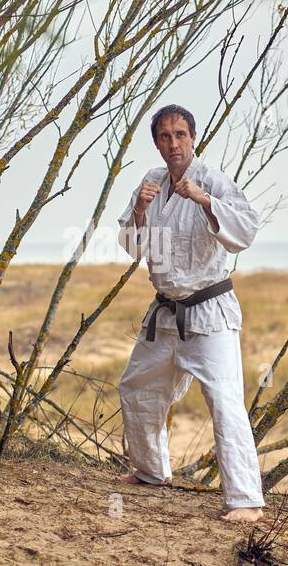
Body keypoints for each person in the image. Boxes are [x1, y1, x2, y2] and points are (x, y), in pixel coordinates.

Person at [114, 104, 266, 523]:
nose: (173, 144)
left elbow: (247, 229)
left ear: (193, 138)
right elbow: (133, 246)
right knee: (137, 387)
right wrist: (141, 212)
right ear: (157, 142)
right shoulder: (151, 182)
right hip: (165, 313)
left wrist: (203, 199)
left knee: (224, 399)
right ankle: (149, 472)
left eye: (180, 135)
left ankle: (245, 499)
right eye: (164, 137)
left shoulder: (212, 179)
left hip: (209, 310)